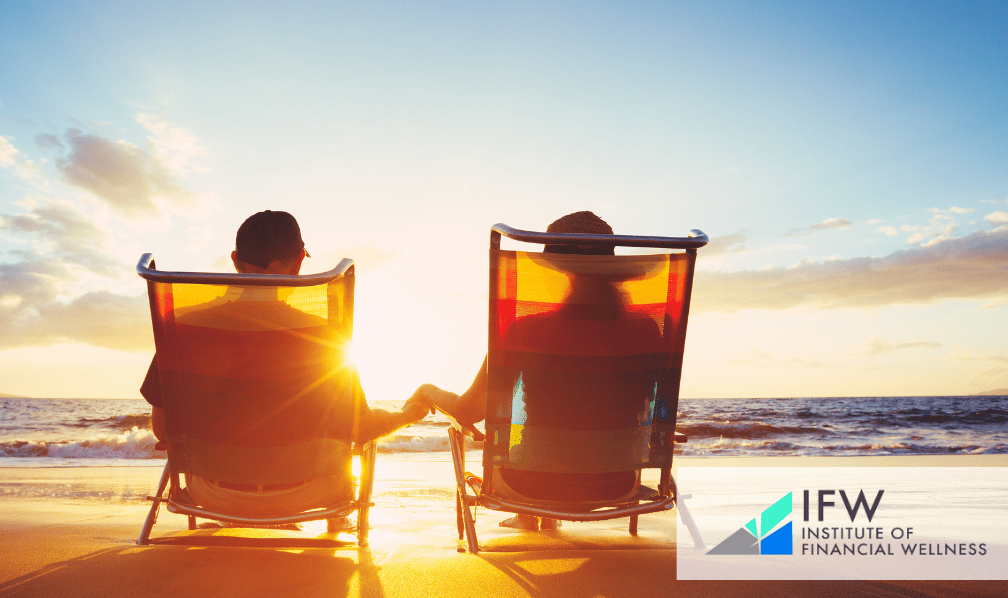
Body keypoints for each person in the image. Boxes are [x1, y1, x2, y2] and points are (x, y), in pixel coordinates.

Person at [142, 210, 428, 529]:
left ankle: (238, 517)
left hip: (211, 495)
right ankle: (332, 523)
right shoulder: (325, 337)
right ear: (293, 265)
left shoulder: (182, 328)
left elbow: (162, 429)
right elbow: (360, 428)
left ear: (235, 259)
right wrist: (407, 415)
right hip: (310, 494)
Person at [415, 211, 661, 531]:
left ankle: (529, 513)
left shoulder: (528, 330)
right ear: (612, 271)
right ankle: (536, 515)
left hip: (530, 484)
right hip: (616, 483)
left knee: (537, 446)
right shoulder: (646, 331)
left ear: (559, 273)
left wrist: (426, 391)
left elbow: (468, 411)